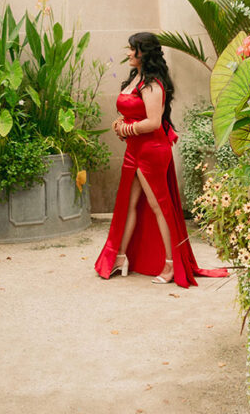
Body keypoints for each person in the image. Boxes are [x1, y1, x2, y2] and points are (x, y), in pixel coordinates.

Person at [94, 31, 227, 288]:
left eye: (132, 49)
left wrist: (128, 129)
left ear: (143, 52)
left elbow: (154, 122)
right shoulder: (136, 79)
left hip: (151, 152)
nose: (128, 53)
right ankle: (120, 257)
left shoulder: (153, 83)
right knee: (128, 203)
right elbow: (135, 113)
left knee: (159, 207)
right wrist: (122, 125)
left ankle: (170, 263)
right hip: (134, 149)